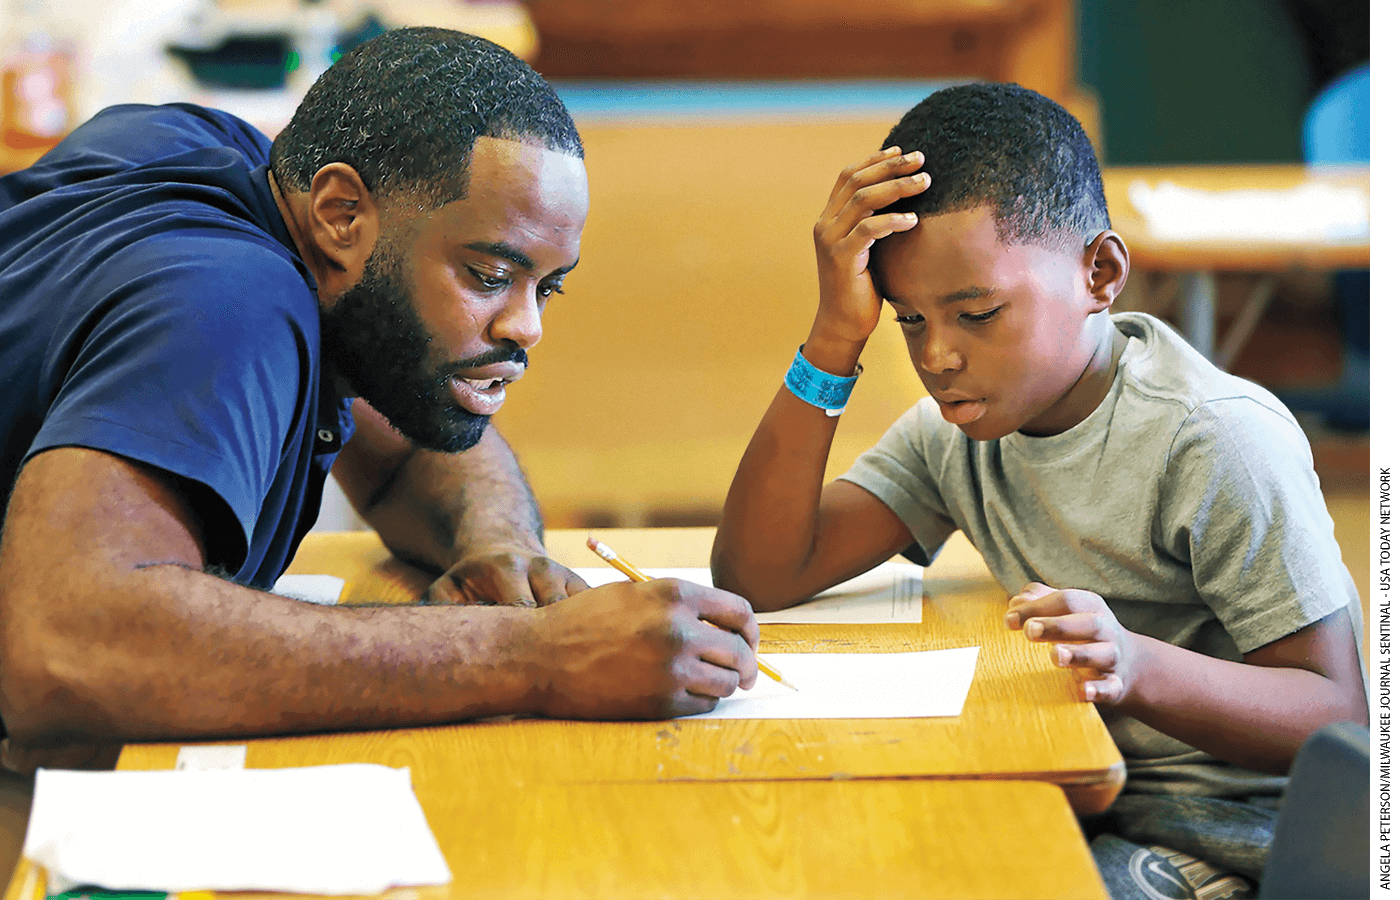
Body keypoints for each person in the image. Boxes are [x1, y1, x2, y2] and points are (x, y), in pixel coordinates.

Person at [0, 26, 760, 780]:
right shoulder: (230, 300)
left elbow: (399, 448)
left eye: (547, 286)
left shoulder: (193, 147)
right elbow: (63, 646)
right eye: (489, 273)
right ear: (339, 213)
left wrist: (497, 541)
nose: (527, 326)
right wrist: (541, 656)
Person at [711, 82, 1367, 899]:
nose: (938, 356)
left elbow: (1337, 716)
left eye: (977, 313)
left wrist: (1134, 665)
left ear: (1100, 272)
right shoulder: (959, 432)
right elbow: (761, 571)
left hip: (1230, 839)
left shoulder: (1215, 439)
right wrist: (835, 334)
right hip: (1062, 785)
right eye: (908, 320)